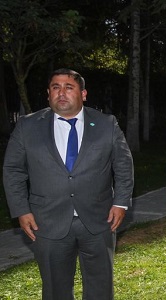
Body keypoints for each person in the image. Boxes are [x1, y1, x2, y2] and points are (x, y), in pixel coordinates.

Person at [3, 68, 134, 300]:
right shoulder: (28, 126)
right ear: (48, 94)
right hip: (47, 221)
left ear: (83, 94)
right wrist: (21, 210)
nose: (61, 93)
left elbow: (123, 166)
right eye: (56, 87)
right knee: (55, 290)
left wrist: (121, 203)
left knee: (100, 288)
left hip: (98, 220)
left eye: (69, 87)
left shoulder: (106, 124)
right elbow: (13, 170)